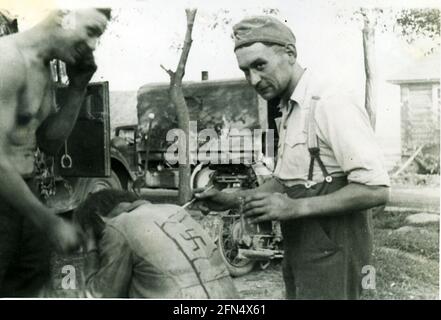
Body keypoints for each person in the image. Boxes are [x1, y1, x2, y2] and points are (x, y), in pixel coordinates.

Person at [195, 16, 390, 299]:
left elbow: (376, 189)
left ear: (290, 53)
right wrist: (230, 199)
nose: (253, 80)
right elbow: (286, 184)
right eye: (246, 70)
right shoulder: (288, 108)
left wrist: (295, 209)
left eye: (260, 65)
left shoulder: (329, 101)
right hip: (301, 252)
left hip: (339, 256)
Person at [0, 8, 110, 297]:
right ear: (65, 17)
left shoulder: (43, 69)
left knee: (26, 288)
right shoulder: (7, 60)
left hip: (24, 194)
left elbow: (48, 143)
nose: (93, 45)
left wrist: (77, 87)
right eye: (91, 31)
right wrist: (48, 221)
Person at [73, 189, 239, 299]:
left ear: (99, 218)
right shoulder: (175, 209)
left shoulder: (117, 226)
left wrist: (91, 248)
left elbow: (99, 295)